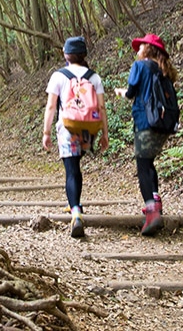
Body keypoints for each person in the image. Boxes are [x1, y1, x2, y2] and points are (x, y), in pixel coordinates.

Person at [43, 36, 109, 238]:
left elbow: (51, 106)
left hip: (68, 127)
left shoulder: (58, 76)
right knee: (76, 168)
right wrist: (105, 133)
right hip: (88, 128)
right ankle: (75, 203)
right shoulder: (93, 77)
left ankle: (76, 212)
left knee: (71, 170)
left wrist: (46, 132)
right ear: (84, 55)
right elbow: (102, 107)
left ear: (66, 54)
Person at [115, 33, 178, 236]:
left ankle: (152, 211)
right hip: (164, 124)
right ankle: (155, 202)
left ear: (147, 49)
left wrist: (121, 92)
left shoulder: (140, 66)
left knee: (143, 165)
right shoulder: (164, 69)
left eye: (141, 46)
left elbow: (132, 92)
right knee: (149, 162)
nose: (138, 49)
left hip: (145, 121)